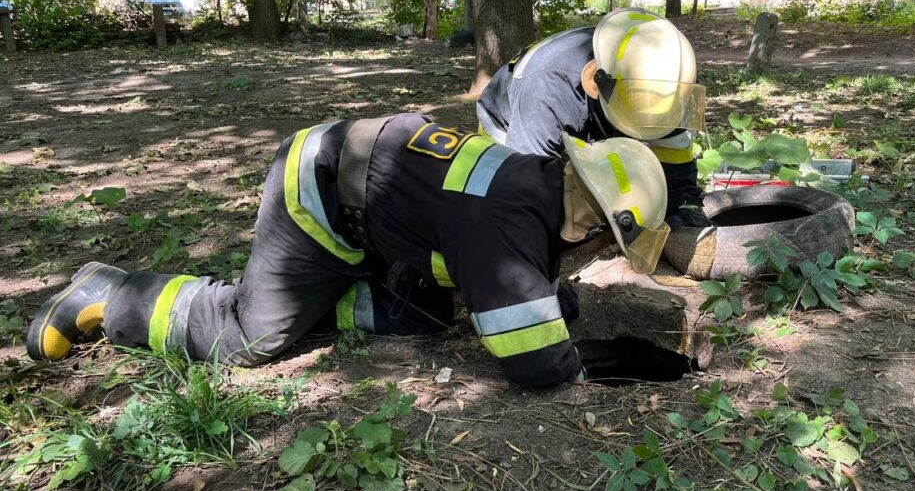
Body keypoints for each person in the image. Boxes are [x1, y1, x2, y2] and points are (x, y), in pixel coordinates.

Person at [26, 114, 669, 389]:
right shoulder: (502, 223)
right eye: (605, 241)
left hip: (375, 208)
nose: (594, 252)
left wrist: (546, 302)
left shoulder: (535, 183)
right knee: (249, 336)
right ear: (590, 218)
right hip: (320, 194)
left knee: (424, 314)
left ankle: (319, 298)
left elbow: (514, 273)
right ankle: (111, 293)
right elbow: (537, 367)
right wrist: (587, 359)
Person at [476, 7, 710, 228]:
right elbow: (529, 180)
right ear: (595, 80)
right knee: (514, 205)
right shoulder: (548, 89)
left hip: (592, 110)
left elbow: (676, 156)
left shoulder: (665, 85)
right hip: (506, 122)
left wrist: (684, 203)